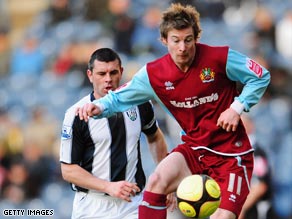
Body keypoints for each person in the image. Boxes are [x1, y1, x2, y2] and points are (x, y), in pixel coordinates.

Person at [77, 3, 271, 219]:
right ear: (163, 40)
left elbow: (260, 75)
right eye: (175, 40)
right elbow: (120, 96)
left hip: (231, 155)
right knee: (156, 181)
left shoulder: (219, 58)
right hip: (194, 149)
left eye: (188, 39)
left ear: (196, 37)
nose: (182, 47)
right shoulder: (154, 74)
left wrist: (237, 107)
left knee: (222, 217)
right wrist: (100, 106)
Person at [60, 48, 168, 219]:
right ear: (90, 75)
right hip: (92, 206)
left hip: (132, 203)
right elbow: (68, 170)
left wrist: (165, 179)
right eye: (101, 73)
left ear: (122, 72)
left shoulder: (141, 104)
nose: (108, 79)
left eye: (113, 72)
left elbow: (154, 136)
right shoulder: (76, 114)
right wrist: (108, 186)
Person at [238, 114, 272, 219]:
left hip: (254, 211)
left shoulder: (256, 153)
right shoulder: (235, 151)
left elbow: (260, 186)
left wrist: (241, 209)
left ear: (250, 126)